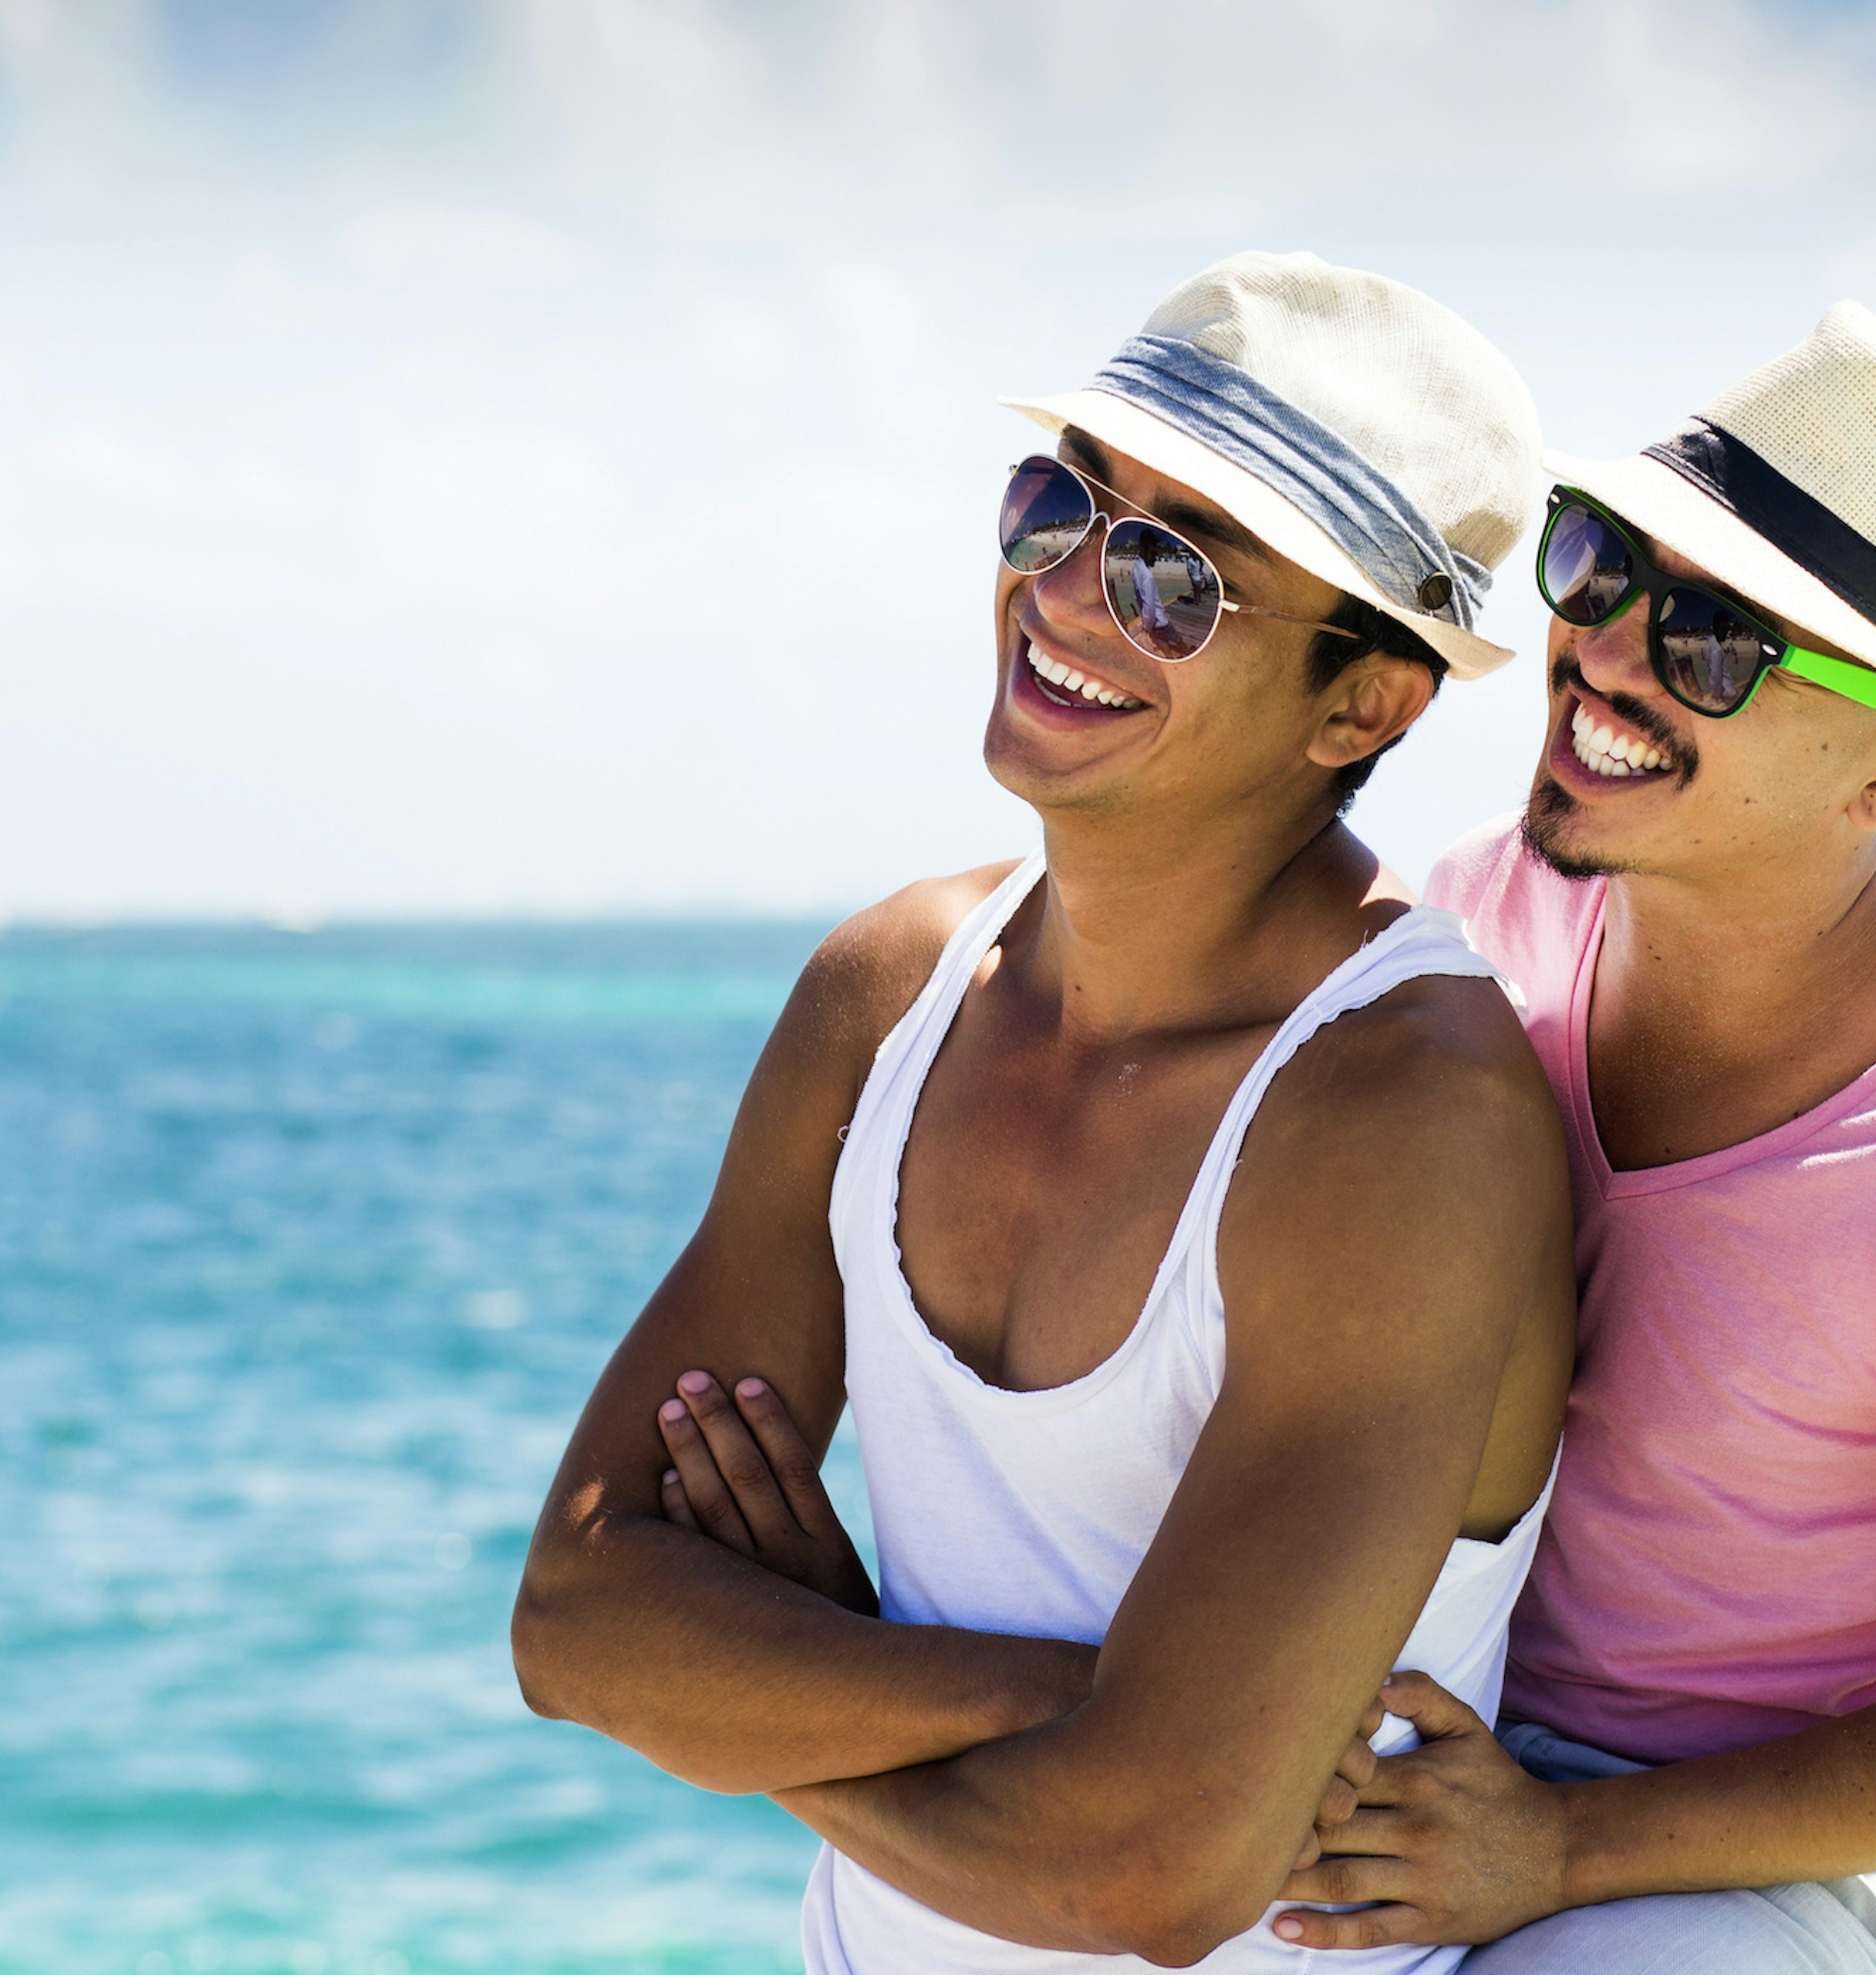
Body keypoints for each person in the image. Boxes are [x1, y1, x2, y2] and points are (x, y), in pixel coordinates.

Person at [510, 252, 1578, 1973]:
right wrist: (1074, 1700)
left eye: (1174, 577)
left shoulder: (1399, 1118)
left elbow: (1152, 1875)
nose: (1072, 593)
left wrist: (780, 1684)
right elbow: (574, 1614)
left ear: (1366, 702)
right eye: (1057, 504)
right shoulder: (892, 990)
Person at [1271, 302, 1876, 1973]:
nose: (1609, 654)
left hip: (1787, 1862)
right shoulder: (1493, 905)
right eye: (1605, 566)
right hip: (1446, 1733)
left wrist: (1559, 1847)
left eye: (1716, 641)